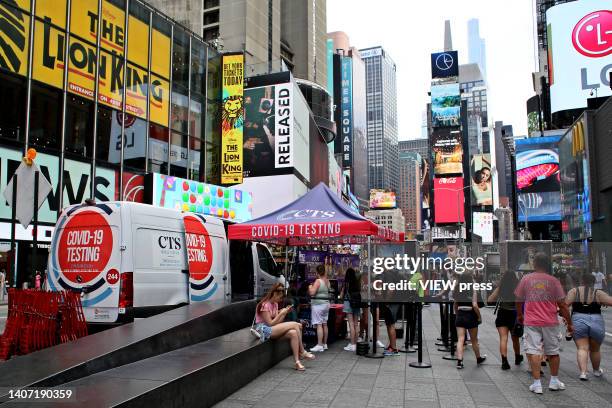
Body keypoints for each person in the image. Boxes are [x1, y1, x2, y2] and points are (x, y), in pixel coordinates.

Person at [515, 252, 572, 394]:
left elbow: (518, 299)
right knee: (553, 351)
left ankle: (537, 384)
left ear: (534, 264)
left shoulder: (526, 279)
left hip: (531, 321)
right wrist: (569, 322)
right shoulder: (554, 281)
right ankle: (553, 381)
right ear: (547, 265)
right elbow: (562, 304)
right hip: (550, 321)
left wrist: (520, 315)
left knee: (533, 350)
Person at [255, 283, 315, 371]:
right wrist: (282, 313)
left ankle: (297, 362)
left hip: (272, 329)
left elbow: (278, 322)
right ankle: (302, 351)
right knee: (295, 324)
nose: (280, 300)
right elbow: (270, 324)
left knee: (293, 333)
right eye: (280, 297)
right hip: (263, 330)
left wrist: (284, 313)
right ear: (275, 294)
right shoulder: (264, 305)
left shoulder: (275, 304)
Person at [565, 273, 612, 380]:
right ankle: (596, 371)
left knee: (582, 348)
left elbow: (565, 304)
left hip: (578, 319)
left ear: (582, 280)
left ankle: (583, 373)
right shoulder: (598, 293)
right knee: (595, 349)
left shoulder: (574, 291)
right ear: (594, 282)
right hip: (596, 319)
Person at [487, 270, 523, 370]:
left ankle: (504, 361)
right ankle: (517, 357)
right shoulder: (518, 288)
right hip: (514, 314)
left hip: (502, 313)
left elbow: (490, 300)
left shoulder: (500, 288)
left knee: (503, 338)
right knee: (515, 338)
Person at [454, 273, 486, 369]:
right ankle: (478, 358)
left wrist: (457, 314)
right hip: (471, 315)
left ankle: (459, 361)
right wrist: (479, 317)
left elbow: (455, 304)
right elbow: (475, 305)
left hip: (460, 315)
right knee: (474, 340)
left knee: (460, 339)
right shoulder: (473, 289)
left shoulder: (457, 289)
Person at [309, 265, 330, 352]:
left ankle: (319, 345)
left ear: (317, 272)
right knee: (324, 324)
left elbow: (312, 293)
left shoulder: (318, 281)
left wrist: (310, 287)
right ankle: (325, 344)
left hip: (318, 305)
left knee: (319, 324)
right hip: (326, 304)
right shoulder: (327, 281)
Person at [340, 268, 361, 351]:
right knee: (356, 324)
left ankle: (352, 344)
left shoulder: (346, 284)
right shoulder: (357, 283)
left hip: (349, 304)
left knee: (351, 324)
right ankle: (355, 343)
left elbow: (341, 296)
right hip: (357, 304)